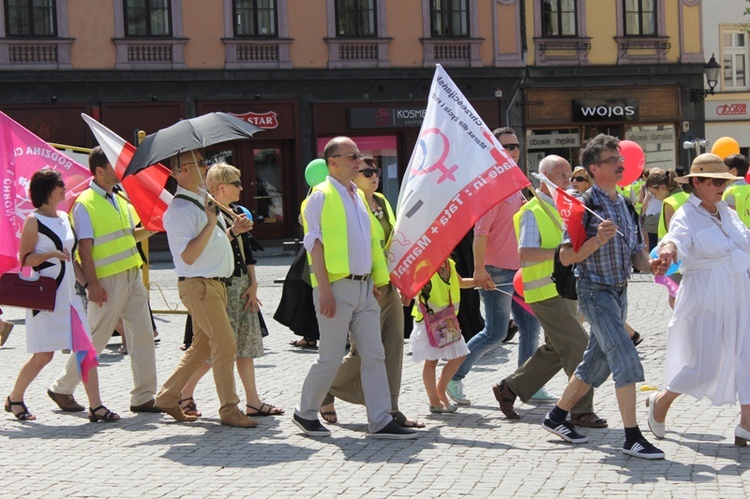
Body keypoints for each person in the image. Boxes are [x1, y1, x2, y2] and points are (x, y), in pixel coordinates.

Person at [540, 134, 667, 460]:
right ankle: (632, 437)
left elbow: (637, 255)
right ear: (595, 168)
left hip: (620, 291)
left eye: (619, 159)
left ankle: (556, 417)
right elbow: (567, 257)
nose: (620, 163)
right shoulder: (585, 207)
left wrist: (651, 265)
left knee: (594, 365)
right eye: (613, 160)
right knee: (624, 357)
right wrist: (596, 241)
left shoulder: (625, 204)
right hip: (594, 292)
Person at [292, 136, 417, 439]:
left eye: (358, 156)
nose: (358, 162)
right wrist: (323, 289)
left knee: (375, 354)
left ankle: (380, 419)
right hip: (336, 287)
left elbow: (372, 243)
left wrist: (377, 280)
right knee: (331, 357)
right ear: (332, 162)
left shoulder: (358, 196)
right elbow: (314, 246)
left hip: (365, 288)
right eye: (352, 157)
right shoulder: (319, 196)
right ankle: (305, 412)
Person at [493, 155, 606, 428]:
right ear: (544, 179)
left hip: (566, 288)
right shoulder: (533, 210)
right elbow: (525, 252)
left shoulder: (567, 207)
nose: (569, 181)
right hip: (544, 292)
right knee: (579, 345)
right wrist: (562, 255)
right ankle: (580, 410)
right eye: (562, 176)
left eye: (570, 175)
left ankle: (509, 388)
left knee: (557, 348)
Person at [47, 147, 158, 415]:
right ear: (99, 171)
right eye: (114, 165)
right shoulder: (85, 203)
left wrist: (155, 226)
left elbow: (131, 235)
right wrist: (92, 286)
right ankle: (62, 387)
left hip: (131, 275)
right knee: (95, 338)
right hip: (106, 281)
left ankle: (143, 396)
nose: (120, 170)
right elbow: (84, 249)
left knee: (143, 335)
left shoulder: (119, 198)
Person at [649, 153, 750, 447]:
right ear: (697, 182)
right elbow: (675, 239)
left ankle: (746, 423)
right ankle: (661, 401)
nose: (722, 186)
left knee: (747, 356)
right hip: (705, 296)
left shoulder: (728, 213)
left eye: (724, 181)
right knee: (703, 364)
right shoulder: (686, 214)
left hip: (739, 293)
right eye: (716, 181)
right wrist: (667, 250)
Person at [6, 168, 118, 422]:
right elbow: (24, 260)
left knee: (85, 352)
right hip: (46, 300)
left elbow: (73, 260)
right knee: (44, 356)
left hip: (70, 298)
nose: (64, 188)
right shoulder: (33, 221)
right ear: (46, 189)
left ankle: (96, 406)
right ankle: (15, 398)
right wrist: (50, 255)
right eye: (59, 184)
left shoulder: (64, 218)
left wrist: (90, 287)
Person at [154, 150, 256, 427]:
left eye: (203, 162)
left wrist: (232, 230)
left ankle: (167, 396)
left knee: (201, 348)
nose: (204, 168)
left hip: (213, 285)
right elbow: (188, 256)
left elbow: (212, 244)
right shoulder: (180, 210)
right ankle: (229, 409)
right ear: (179, 172)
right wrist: (212, 223)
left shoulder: (201, 201)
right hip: (199, 286)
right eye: (197, 164)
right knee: (225, 345)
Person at [447, 127, 548, 407]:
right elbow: (480, 234)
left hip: (519, 271)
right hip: (497, 270)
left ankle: (527, 383)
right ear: (493, 151)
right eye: (506, 146)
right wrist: (480, 269)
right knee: (495, 332)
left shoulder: (518, 184)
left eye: (515, 146)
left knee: (530, 325)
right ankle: (452, 378)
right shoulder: (490, 187)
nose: (513, 151)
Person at [320, 156, 422, 428]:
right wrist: (371, 279)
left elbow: (394, 243)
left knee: (394, 345)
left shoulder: (382, 201)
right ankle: (324, 387)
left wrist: (406, 281)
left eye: (375, 171)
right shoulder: (351, 203)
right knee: (364, 351)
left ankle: (391, 407)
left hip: (390, 283)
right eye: (366, 171)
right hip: (367, 285)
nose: (373, 175)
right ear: (353, 176)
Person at [178, 162, 283, 419]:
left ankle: (253, 401)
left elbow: (247, 252)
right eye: (236, 183)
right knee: (219, 347)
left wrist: (253, 282)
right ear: (221, 187)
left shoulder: (235, 210)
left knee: (245, 346)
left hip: (241, 285)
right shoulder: (209, 212)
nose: (241, 187)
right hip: (221, 286)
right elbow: (209, 248)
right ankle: (183, 392)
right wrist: (232, 230)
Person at [411, 258, 475, 413]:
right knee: (431, 361)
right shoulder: (424, 264)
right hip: (428, 319)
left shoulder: (450, 263)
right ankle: (434, 400)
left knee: (459, 355)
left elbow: (459, 282)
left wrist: (479, 282)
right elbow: (413, 287)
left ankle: (440, 390)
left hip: (447, 319)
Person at [722, 153, 750, 227]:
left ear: (734, 171)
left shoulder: (730, 191)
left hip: (741, 233)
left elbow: (730, 217)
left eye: (724, 169)